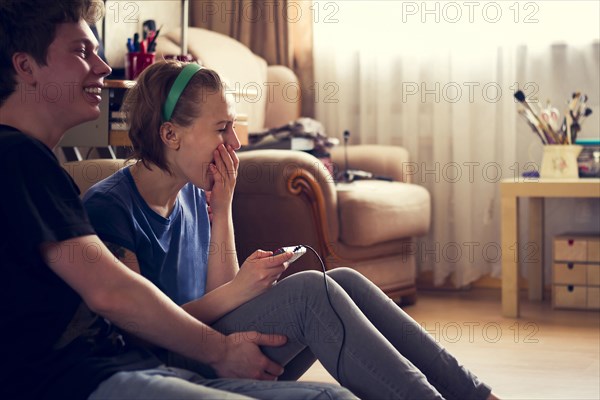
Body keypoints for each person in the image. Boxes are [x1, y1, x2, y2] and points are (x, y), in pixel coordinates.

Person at [82, 58, 501, 400]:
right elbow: (138, 326)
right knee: (308, 294)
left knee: (343, 281)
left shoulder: (192, 192)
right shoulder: (110, 207)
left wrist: (223, 209)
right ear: (170, 134)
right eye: (221, 129)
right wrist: (240, 289)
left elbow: (224, 302)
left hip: (210, 343)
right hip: (162, 366)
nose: (236, 142)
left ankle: (476, 395)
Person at [0, 1, 358, 399]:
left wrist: (222, 213)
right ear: (25, 66)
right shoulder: (20, 160)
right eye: (83, 51)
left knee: (333, 313)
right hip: (97, 377)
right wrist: (221, 349)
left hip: (128, 367)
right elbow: (115, 295)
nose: (103, 67)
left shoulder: (36, 166)